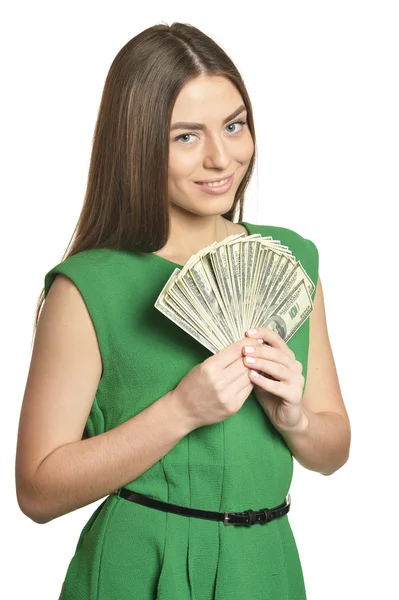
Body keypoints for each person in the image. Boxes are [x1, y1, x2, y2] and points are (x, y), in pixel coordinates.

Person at [15, 21, 351, 600]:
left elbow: (334, 446)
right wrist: (181, 410)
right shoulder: (87, 288)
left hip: (266, 567)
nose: (222, 157)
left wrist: (292, 417)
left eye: (234, 125)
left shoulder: (293, 260)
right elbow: (38, 491)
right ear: (138, 142)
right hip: (138, 567)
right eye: (185, 136)